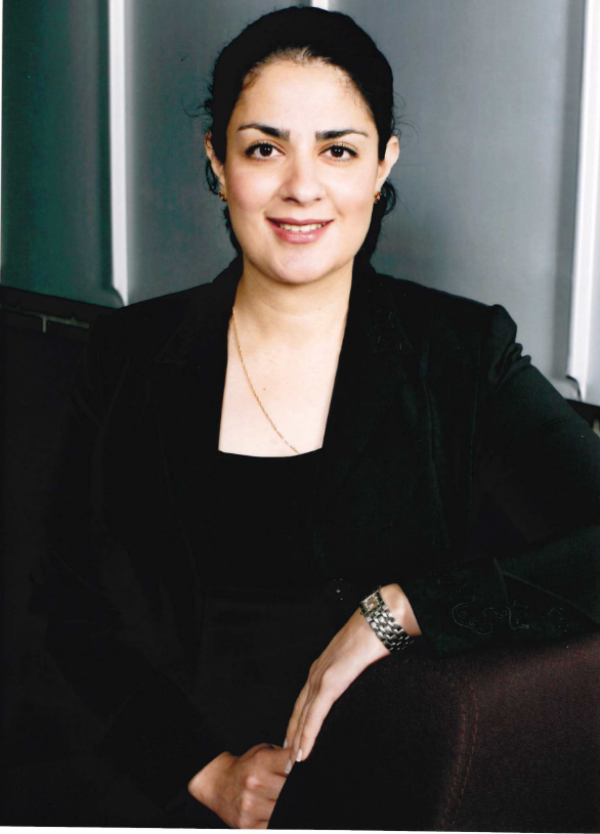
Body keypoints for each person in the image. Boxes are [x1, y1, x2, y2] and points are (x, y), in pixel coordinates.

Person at [30, 4, 600, 830]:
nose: (302, 186)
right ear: (217, 161)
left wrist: (403, 610)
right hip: (156, 796)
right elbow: (64, 612)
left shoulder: (459, 354)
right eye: (265, 149)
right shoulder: (127, 354)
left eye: (338, 150)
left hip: (385, 801)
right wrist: (204, 774)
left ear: (382, 163)